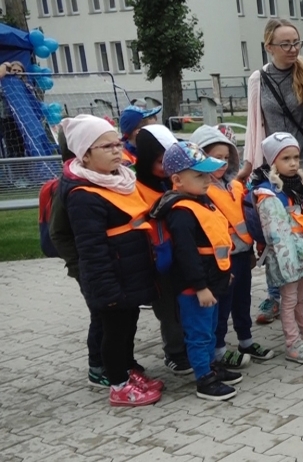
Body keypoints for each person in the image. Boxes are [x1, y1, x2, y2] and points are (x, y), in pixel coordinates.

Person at [62, 114, 163, 406]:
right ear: (86, 153)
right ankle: (118, 385)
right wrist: (107, 290)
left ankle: (128, 370)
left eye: (117, 143)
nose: (117, 150)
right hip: (112, 279)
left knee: (128, 327)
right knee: (114, 332)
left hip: (131, 273)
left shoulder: (119, 180)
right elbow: (91, 249)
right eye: (106, 147)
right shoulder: (83, 195)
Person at [149, 142, 245, 401]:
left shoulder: (200, 201)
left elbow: (214, 243)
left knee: (211, 328)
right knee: (199, 333)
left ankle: (211, 366)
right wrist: (200, 287)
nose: (207, 180)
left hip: (212, 281)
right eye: (199, 175)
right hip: (195, 287)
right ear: (178, 180)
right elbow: (187, 255)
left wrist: (223, 275)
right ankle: (204, 378)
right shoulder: (181, 211)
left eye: (207, 174)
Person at [244, 19, 303, 318]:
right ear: (269, 47)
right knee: (274, 230)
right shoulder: (258, 79)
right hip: (271, 167)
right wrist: (250, 165)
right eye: (285, 44)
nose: (293, 49)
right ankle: (275, 293)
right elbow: (255, 125)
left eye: (296, 43)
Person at [190, 125, 276, 368]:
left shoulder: (235, 186)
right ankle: (218, 349)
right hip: (220, 261)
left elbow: (246, 220)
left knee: (242, 301)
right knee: (222, 306)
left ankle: (246, 340)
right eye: (216, 158)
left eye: (227, 158)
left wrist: (250, 251)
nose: (223, 163)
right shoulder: (201, 192)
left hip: (241, 254)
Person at [250, 132, 303, 364]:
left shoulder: (297, 186)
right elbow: (276, 233)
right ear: (272, 161)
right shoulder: (269, 193)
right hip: (287, 256)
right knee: (288, 300)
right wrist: (288, 261)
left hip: (302, 252)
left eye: (296, 157)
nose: (294, 163)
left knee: (301, 296)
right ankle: (292, 342)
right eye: (286, 158)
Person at [132, 124, 193, 375]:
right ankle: (175, 352)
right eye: (159, 161)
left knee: (186, 304)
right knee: (168, 309)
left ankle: (192, 345)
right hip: (158, 260)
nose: (165, 168)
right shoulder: (136, 189)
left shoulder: (174, 182)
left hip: (183, 255)